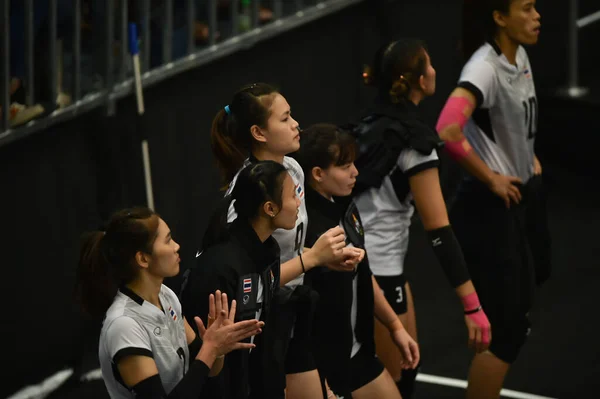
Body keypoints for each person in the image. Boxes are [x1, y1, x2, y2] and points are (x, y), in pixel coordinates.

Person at [350, 38, 491, 398]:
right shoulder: (414, 143)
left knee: (405, 373)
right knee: (390, 384)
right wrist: (472, 305)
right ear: (413, 79)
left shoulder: (363, 128)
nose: (434, 71)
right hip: (376, 271)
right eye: (427, 65)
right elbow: (439, 230)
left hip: (371, 268)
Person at [210, 83, 361, 398]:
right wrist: (313, 259)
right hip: (256, 327)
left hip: (291, 312)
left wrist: (322, 257)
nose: (296, 124)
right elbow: (248, 280)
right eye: (285, 118)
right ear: (259, 133)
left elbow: (283, 252)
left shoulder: (292, 168)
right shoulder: (246, 192)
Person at [436, 1, 548, 397]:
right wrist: (492, 178)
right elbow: (448, 128)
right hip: (486, 209)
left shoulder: (519, 56)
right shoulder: (484, 66)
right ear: (500, 17)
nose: (537, 16)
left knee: (519, 317)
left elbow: (509, 124)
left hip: (518, 199)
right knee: (505, 333)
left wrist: (525, 155)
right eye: (528, 8)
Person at [75, 206, 263, 398]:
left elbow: (209, 370)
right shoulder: (124, 325)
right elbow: (204, 357)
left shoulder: (166, 296)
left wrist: (218, 349)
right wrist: (210, 348)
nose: (176, 246)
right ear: (143, 258)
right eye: (168, 240)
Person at [292, 124, 420, 399]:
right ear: (318, 174)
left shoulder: (347, 208)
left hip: (357, 353)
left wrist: (395, 326)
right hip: (320, 367)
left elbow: (363, 274)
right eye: (345, 165)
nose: (356, 172)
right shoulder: (304, 227)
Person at [181, 161, 302, 398]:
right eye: (293, 195)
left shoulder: (268, 250)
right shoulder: (219, 267)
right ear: (270, 208)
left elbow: (262, 336)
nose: (298, 203)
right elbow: (207, 354)